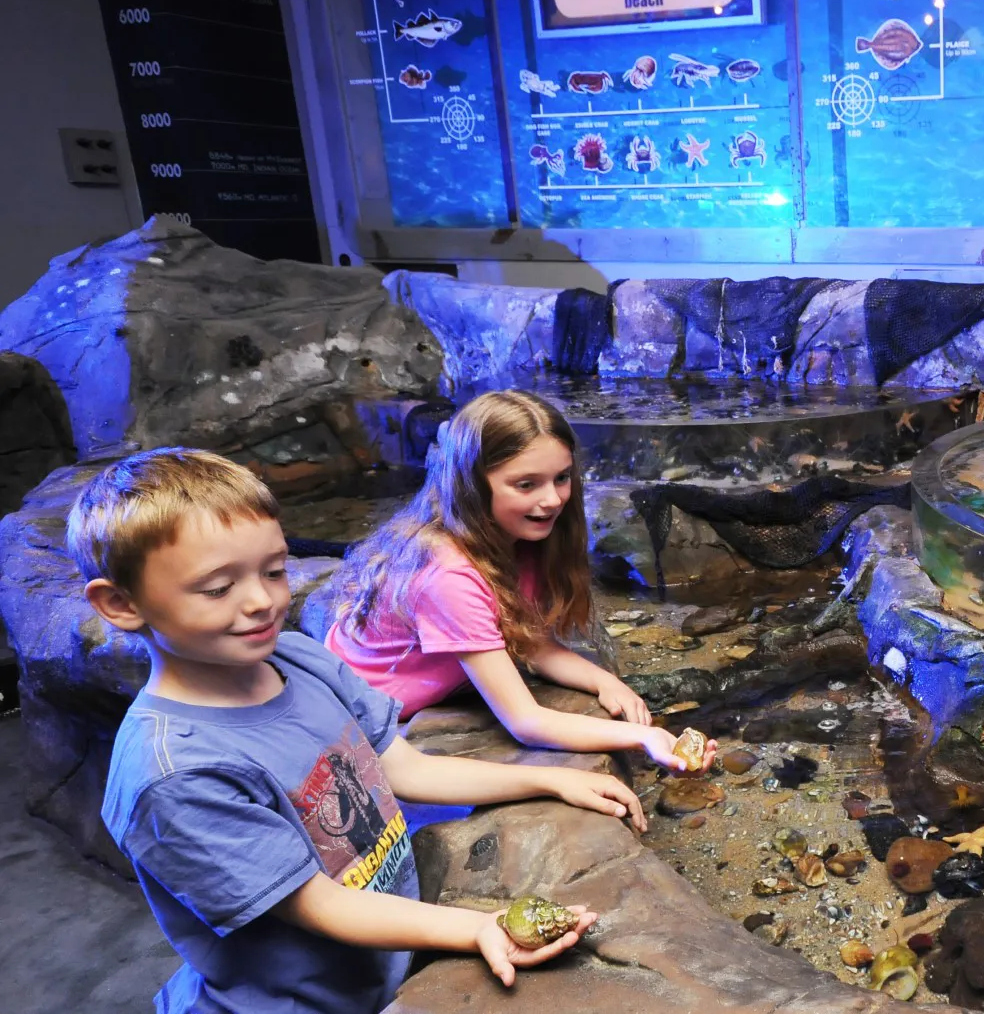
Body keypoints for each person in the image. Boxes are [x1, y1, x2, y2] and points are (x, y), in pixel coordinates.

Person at [74, 448, 645, 1013]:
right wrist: (476, 928)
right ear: (121, 603)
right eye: (218, 588)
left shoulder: (293, 657)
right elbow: (320, 905)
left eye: (274, 570)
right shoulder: (175, 775)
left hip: (379, 968)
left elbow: (404, 767)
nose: (262, 602)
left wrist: (549, 781)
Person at [326, 389, 715, 774]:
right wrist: (644, 738)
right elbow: (525, 722)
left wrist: (602, 680)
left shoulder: (517, 537)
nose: (552, 500)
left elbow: (528, 640)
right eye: (526, 484)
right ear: (472, 483)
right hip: (361, 715)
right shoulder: (448, 576)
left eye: (561, 478)